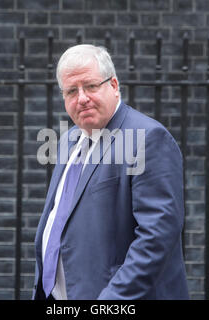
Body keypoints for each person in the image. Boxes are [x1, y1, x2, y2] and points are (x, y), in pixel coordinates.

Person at [32, 44, 189, 300]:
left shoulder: (148, 138)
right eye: (71, 91)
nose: (81, 98)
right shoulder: (69, 140)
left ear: (114, 85)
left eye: (91, 86)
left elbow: (157, 237)